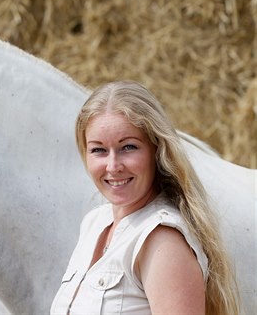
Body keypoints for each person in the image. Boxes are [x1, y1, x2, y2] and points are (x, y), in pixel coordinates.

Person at [50, 81, 239, 314]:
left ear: (156, 150)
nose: (113, 166)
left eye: (128, 147)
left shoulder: (162, 241)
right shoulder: (93, 223)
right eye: (98, 150)